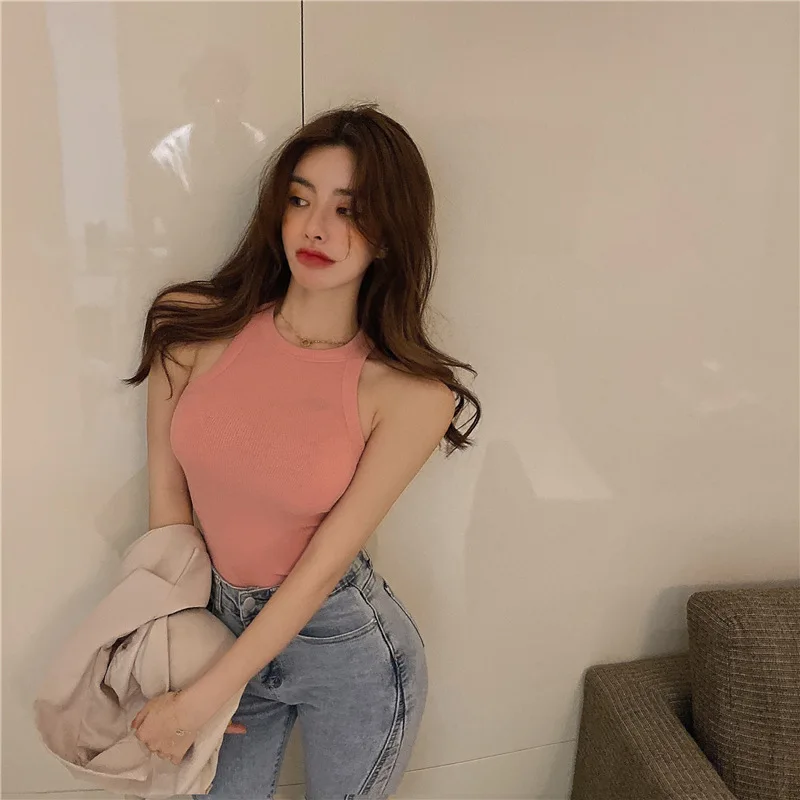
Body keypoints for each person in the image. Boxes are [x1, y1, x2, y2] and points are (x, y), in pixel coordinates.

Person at [122, 102, 481, 799]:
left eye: (351, 210)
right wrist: (181, 659)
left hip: (343, 646)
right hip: (217, 624)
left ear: (389, 236)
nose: (317, 228)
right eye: (300, 199)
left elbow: (319, 570)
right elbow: (168, 510)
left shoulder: (410, 395)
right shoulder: (188, 327)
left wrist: (202, 701)